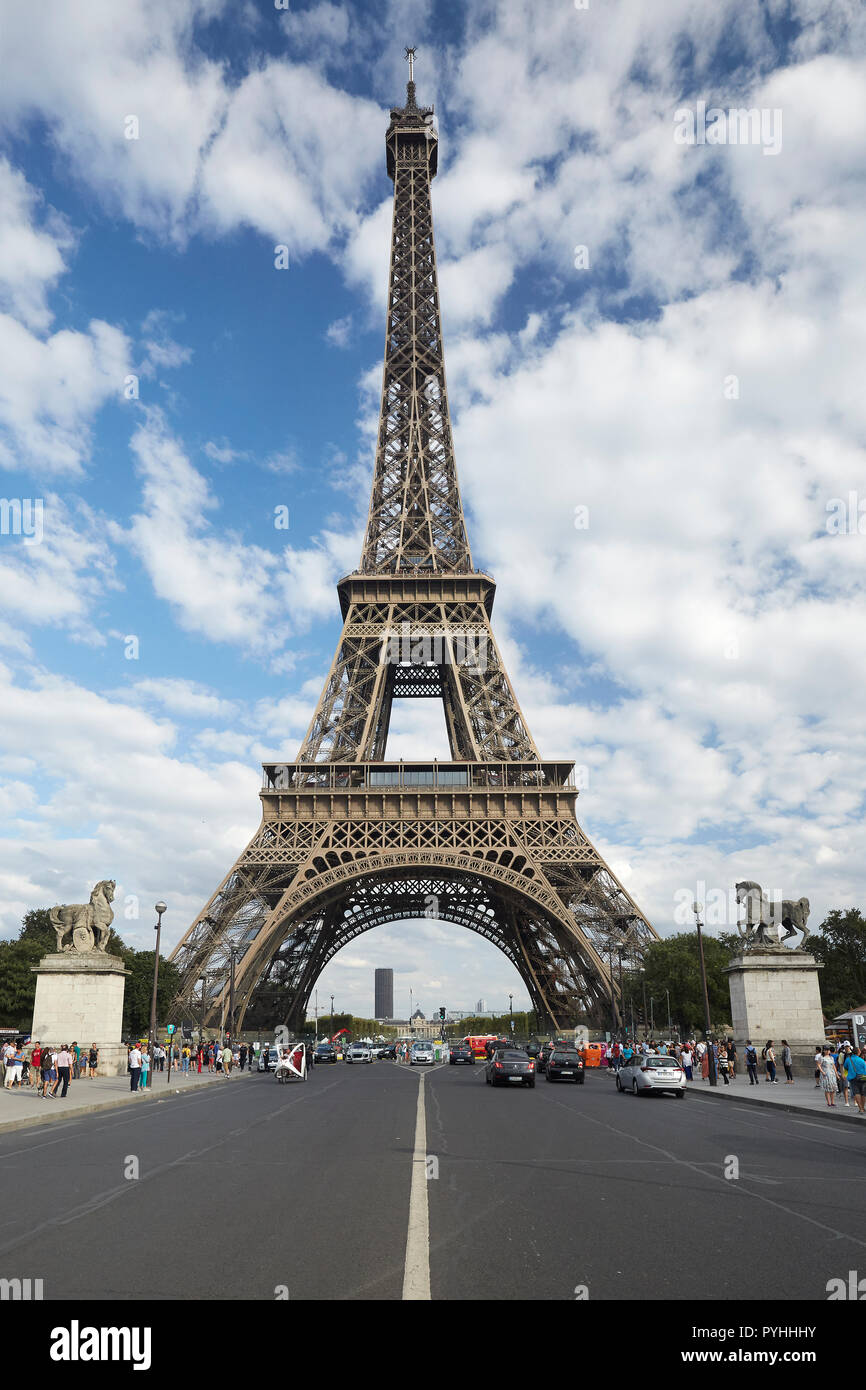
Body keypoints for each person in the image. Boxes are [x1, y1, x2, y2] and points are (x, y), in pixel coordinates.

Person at [843, 1048, 866, 1116]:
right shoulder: (861, 1060)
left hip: (853, 1078)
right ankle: (863, 1107)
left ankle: (860, 1108)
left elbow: (845, 1067)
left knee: (857, 1092)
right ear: (858, 1053)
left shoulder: (848, 1059)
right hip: (863, 1078)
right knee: (863, 1093)